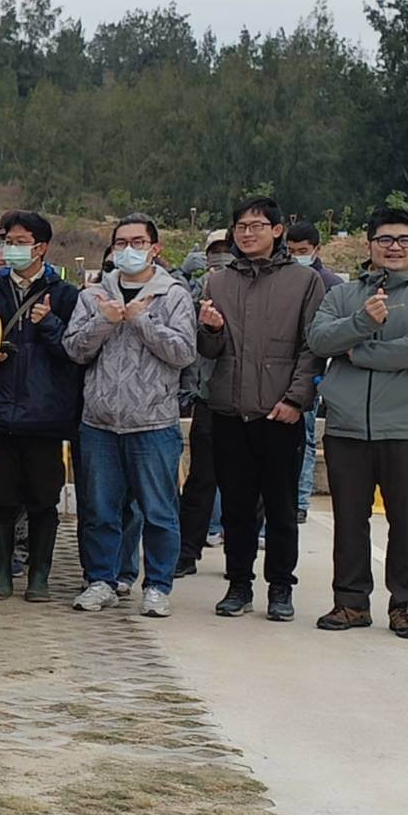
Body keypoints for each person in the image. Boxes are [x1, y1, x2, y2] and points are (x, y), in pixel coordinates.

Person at [197, 198, 325, 622]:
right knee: (235, 504)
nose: (247, 233)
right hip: (230, 409)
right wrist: (211, 330)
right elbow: (209, 350)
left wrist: (295, 400)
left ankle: (281, 587)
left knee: (281, 505)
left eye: (256, 225)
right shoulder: (218, 282)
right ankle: (238, 584)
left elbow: (312, 348)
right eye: (240, 226)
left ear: (276, 231)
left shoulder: (303, 281)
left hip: (278, 413)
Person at [64, 213, 197, 617]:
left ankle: (157, 585)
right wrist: (105, 321)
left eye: (137, 242)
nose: (128, 250)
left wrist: (141, 320)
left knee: (158, 511)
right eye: (120, 243)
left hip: (153, 423)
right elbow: (74, 348)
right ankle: (101, 579)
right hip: (100, 422)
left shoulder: (172, 294)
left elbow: (183, 352)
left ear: (155, 248)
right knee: (100, 510)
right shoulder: (93, 295)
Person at [307, 207, 408, 639]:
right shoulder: (343, 294)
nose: (394, 248)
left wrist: (357, 352)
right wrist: (363, 321)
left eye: (403, 240)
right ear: (370, 245)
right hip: (347, 426)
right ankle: (351, 602)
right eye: (385, 240)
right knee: (350, 519)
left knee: (407, 520)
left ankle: (406, 605)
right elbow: (319, 338)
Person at [0, 211, 82, 601]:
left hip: (46, 417)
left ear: (41, 247)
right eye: (8, 240)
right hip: (0, 414)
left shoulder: (66, 295)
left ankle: (40, 576)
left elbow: (76, 351)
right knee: (0, 499)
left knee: (43, 500)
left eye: (20, 241)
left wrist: (50, 324)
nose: (12, 248)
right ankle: (3, 574)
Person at [176, 229, 233, 577]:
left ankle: (239, 560)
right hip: (208, 399)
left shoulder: (248, 289)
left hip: (248, 400)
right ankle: (186, 551)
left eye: (228, 251)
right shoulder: (196, 289)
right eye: (216, 251)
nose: (222, 257)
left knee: (247, 488)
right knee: (200, 482)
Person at [284, 220, 342, 525]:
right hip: (279, 372)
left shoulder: (329, 284)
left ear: (316, 249)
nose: (296, 257)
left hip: (312, 372)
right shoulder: (281, 278)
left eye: (302, 251)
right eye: (290, 251)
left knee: (305, 438)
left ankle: (300, 499)